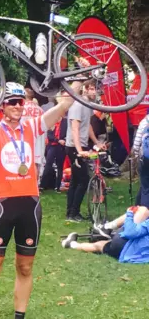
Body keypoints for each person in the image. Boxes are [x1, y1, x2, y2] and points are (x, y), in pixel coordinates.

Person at [0, 59, 81, 319]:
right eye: (11, 102)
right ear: (3, 105)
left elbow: (64, 104)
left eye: (19, 102)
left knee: (25, 267)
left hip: (30, 205)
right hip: (3, 204)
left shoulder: (32, 127)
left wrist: (80, 73)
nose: (16, 106)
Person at [65, 80, 104, 222]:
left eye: (96, 89)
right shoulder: (77, 105)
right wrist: (79, 150)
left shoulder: (87, 106)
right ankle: (73, 213)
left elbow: (88, 127)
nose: (95, 92)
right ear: (85, 90)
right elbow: (75, 128)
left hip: (81, 146)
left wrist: (96, 142)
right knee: (83, 180)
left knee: (76, 180)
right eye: (92, 89)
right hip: (74, 147)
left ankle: (71, 212)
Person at [62, 206, 149, 264]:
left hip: (124, 243)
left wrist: (129, 214)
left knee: (142, 210)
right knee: (100, 245)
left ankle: (106, 227)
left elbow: (130, 233)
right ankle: (72, 244)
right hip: (123, 253)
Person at [40, 108, 67, 192]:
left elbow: (67, 133)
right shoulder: (52, 122)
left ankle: (57, 186)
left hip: (61, 147)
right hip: (52, 146)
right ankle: (42, 185)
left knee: (60, 166)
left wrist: (64, 140)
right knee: (48, 164)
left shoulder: (65, 122)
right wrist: (58, 140)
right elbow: (49, 135)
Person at [23, 88, 45, 179]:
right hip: (38, 139)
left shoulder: (21, 109)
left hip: (24, 138)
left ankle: (25, 184)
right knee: (36, 163)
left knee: (24, 162)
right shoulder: (40, 110)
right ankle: (35, 185)